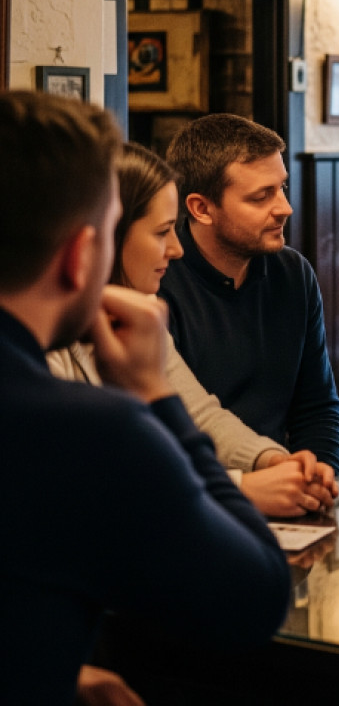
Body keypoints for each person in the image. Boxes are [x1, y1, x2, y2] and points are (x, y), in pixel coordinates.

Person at [0, 91, 290, 706]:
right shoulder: (89, 431)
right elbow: (253, 598)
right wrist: (152, 396)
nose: (175, 249)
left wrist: (56, 671)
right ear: (83, 256)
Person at [48, 142, 335, 518]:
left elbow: (201, 417)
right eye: (162, 232)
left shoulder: (132, 316)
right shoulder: (41, 343)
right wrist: (240, 488)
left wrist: (276, 463)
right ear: (103, 238)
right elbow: (82, 482)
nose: (176, 248)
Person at [159, 113, 339, 477]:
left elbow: (318, 408)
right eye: (261, 197)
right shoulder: (158, 281)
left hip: (285, 481)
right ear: (201, 208)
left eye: (282, 188)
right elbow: (177, 428)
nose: (285, 208)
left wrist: (320, 479)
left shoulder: (292, 273)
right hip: (198, 493)